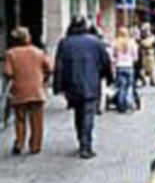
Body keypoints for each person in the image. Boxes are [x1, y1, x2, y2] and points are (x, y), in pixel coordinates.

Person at [53, 16, 113, 159]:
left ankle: (81, 139)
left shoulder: (64, 43)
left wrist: (58, 86)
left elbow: (59, 66)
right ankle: (85, 145)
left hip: (72, 85)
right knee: (88, 114)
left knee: (78, 113)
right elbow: (106, 62)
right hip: (91, 84)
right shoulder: (96, 42)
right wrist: (109, 78)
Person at [2, 27, 52, 155]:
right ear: (27, 38)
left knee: (20, 118)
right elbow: (49, 68)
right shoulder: (38, 52)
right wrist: (43, 79)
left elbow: (8, 72)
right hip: (36, 90)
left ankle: (19, 143)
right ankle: (35, 145)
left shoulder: (11, 54)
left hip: (19, 91)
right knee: (37, 120)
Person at [112, 27, 138, 112]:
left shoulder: (115, 42)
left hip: (119, 66)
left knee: (121, 87)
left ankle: (120, 105)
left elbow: (112, 56)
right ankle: (128, 104)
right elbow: (135, 56)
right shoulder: (131, 42)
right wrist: (132, 60)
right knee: (129, 86)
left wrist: (115, 61)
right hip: (129, 66)